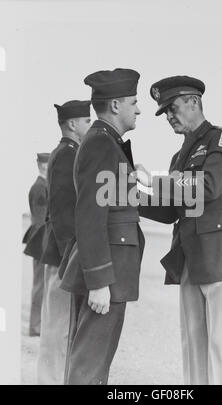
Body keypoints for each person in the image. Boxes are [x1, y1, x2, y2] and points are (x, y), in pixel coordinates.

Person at [136, 75, 222, 385]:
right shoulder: (178, 157)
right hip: (191, 255)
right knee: (193, 344)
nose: (169, 117)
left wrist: (154, 180)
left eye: (172, 108)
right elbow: (171, 211)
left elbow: (208, 187)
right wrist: (131, 196)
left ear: (193, 103)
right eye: (164, 112)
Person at [60, 68, 145, 385]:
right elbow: (90, 215)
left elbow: (130, 198)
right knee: (89, 367)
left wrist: (190, 197)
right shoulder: (100, 144)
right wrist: (98, 282)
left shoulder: (107, 142)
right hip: (105, 274)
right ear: (115, 105)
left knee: (94, 366)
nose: (138, 109)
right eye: (134, 102)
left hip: (111, 272)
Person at [37, 100, 91, 385]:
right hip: (62, 256)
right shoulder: (68, 154)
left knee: (60, 326)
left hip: (60, 254)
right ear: (72, 124)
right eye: (87, 122)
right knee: (58, 328)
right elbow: (62, 214)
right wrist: (71, 256)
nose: (90, 127)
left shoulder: (67, 152)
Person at [23, 153, 50, 336]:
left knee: (41, 283)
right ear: (43, 166)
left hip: (41, 239)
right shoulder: (40, 187)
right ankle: (34, 327)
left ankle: (37, 324)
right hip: (40, 240)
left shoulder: (42, 185)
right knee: (40, 284)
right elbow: (40, 222)